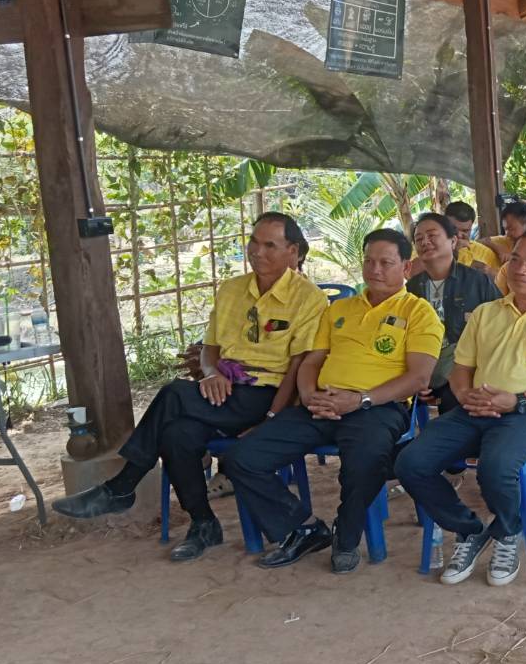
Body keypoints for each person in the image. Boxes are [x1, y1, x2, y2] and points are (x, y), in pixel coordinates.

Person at [52, 214, 328, 560]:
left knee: (173, 393)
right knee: (178, 434)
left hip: (268, 394)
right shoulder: (232, 290)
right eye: (253, 242)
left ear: (293, 251)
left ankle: (122, 487)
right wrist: (210, 373)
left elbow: (298, 366)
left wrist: (272, 417)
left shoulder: (309, 298)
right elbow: (210, 348)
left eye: (269, 245)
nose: (257, 251)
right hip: (226, 388)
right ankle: (203, 523)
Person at [221, 229, 442, 573]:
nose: (375, 269)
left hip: (378, 408)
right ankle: (303, 528)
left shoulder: (419, 312)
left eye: (386, 262)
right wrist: (309, 395)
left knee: (365, 459)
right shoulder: (339, 309)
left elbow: (419, 378)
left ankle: (347, 534)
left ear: (407, 267)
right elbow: (311, 361)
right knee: (242, 457)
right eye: (369, 261)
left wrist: (360, 400)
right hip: (321, 404)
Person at [395, 231, 526, 588]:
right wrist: (467, 395)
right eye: (515, 259)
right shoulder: (486, 313)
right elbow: (460, 370)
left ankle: (506, 533)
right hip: (477, 408)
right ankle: (468, 531)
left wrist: (517, 400)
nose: (521, 269)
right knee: (411, 461)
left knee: (497, 467)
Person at [406, 212, 501, 413]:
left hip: (466, 371)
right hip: (423, 369)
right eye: (419, 239)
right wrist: (416, 377)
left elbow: (501, 327)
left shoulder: (478, 281)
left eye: (432, 235)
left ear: (453, 240)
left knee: (456, 401)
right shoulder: (412, 287)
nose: (425, 242)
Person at [444, 201, 499, 274]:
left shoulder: (484, 253)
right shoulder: (432, 250)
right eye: (453, 229)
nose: (459, 235)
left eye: (465, 231)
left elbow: (501, 281)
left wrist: (489, 274)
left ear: (471, 228)